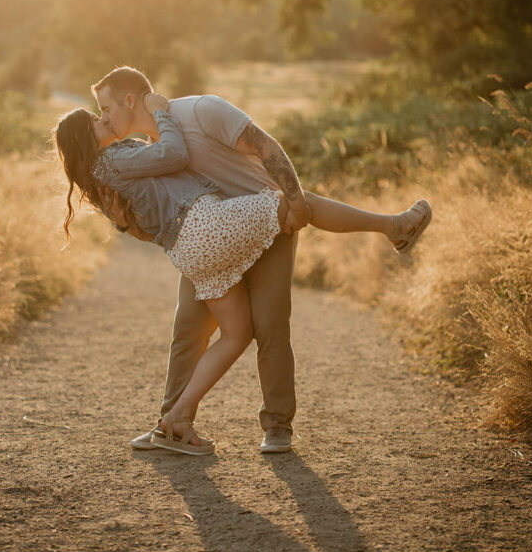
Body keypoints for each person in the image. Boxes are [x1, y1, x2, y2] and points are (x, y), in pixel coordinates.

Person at [53, 74, 431, 456]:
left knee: (242, 332)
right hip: (209, 227)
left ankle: (179, 421)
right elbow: (172, 161)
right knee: (301, 206)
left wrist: (123, 219)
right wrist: (162, 114)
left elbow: (264, 146)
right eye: (97, 117)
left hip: (192, 246)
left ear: (131, 100)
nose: (103, 119)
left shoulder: (195, 114)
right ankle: (394, 226)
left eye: (104, 110)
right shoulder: (126, 153)